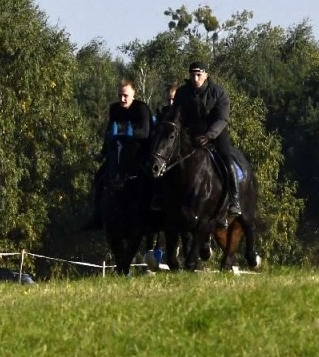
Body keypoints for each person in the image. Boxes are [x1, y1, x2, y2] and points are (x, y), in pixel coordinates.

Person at [169, 61, 244, 215]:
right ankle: (161, 196)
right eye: (192, 75)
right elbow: (176, 115)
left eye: (198, 75)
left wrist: (209, 135)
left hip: (215, 133)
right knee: (167, 156)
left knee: (226, 157)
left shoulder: (219, 92)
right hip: (190, 134)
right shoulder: (182, 93)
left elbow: (222, 118)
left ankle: (234, 198)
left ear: (206, 75)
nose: (195, 79)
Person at [82, 79, 154, 230]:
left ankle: (154, 212)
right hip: (117, 153)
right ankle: (97, 215)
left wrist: (128, 133)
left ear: (134, 94)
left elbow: (146, 132)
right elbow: (109, 132)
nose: (122, 99)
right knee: (99, 177)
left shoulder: (142, 108)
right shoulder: (114, 109)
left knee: (153, 179)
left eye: (125, 96)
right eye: (120, 95)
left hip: (139, 153)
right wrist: (103, 151)